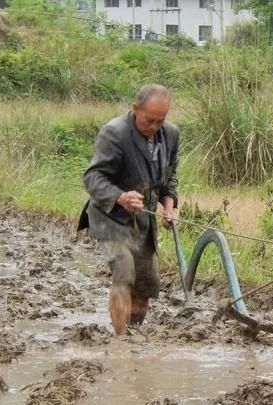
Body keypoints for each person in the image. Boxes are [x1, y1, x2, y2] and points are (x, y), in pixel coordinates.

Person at [78, 84, 180, 335]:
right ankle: (120, 343)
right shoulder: (115, 133)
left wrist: (169, 206)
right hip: (110, 215)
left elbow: (169, 178)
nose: (154, 127)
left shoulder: (171, 134)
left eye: (160, 121)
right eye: (149, 120)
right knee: (124, 271)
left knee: (147, 284)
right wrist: (120, 196)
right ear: (135, 109)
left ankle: (133, 333)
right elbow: (93, 177)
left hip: (143, 217)